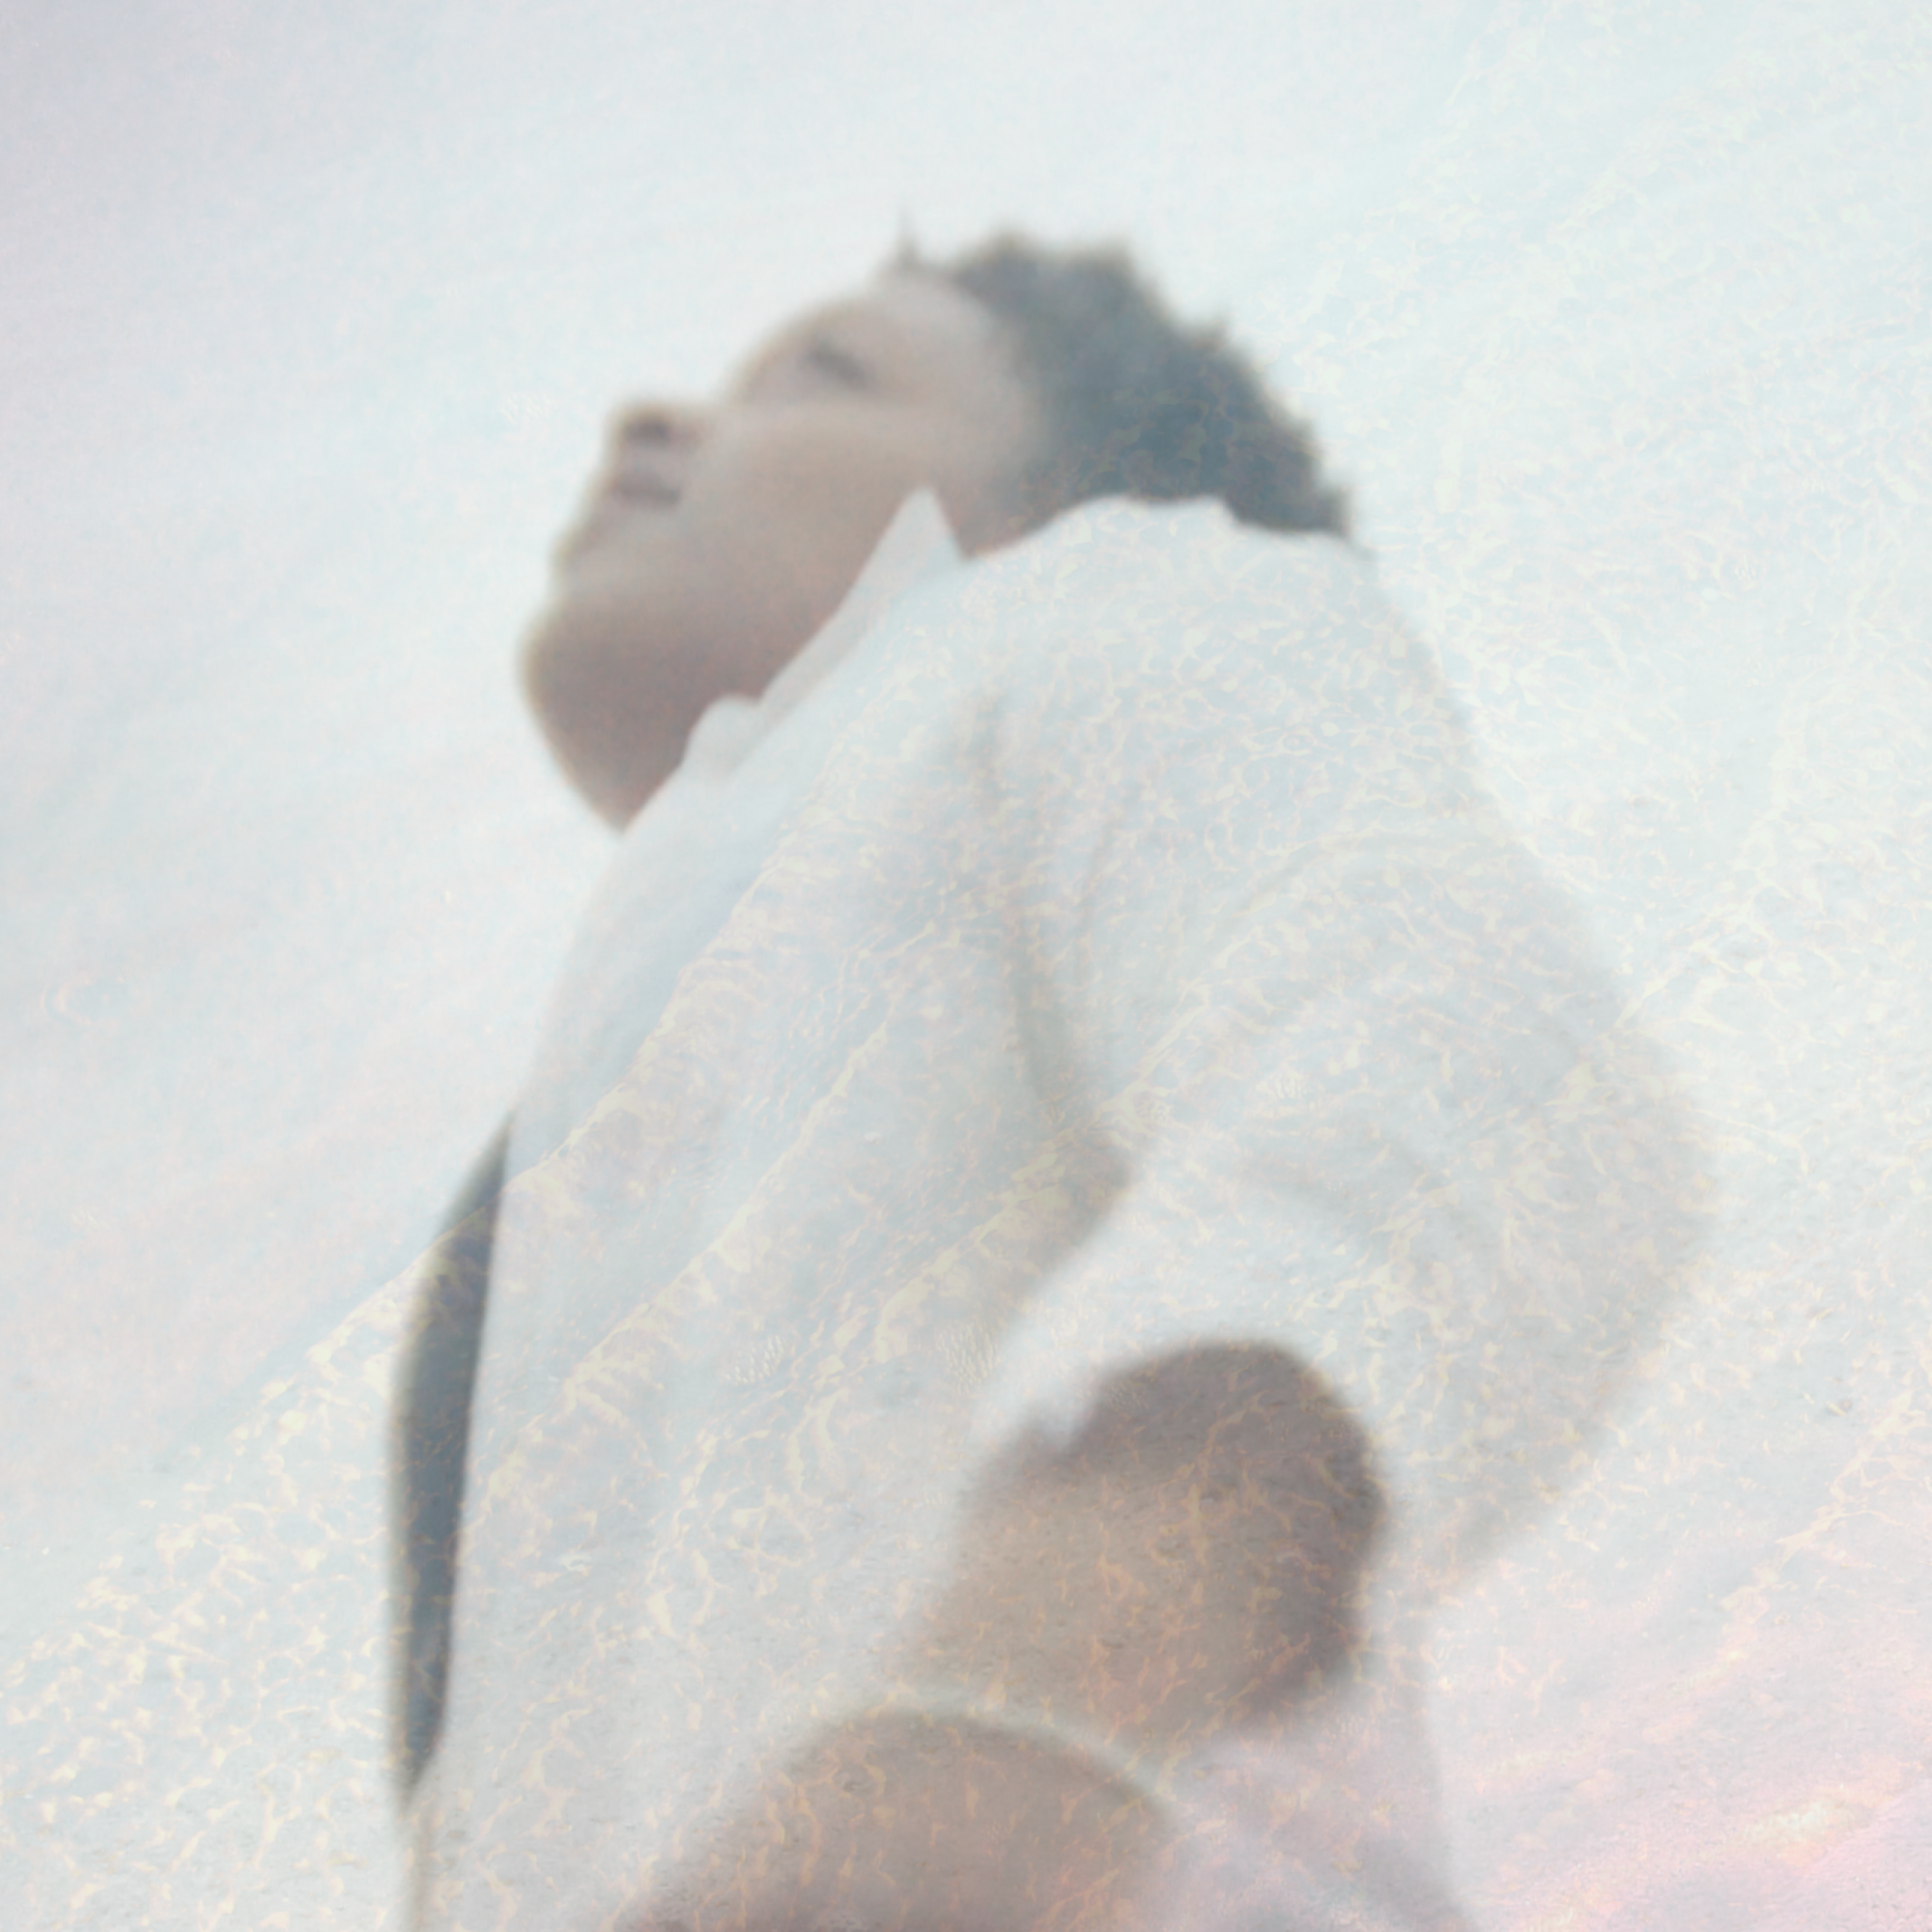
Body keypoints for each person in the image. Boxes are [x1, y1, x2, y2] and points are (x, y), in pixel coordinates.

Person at [390, 235, 1704, 1931]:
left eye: (827, 374)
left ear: (1047, 505)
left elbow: (1451, 1033)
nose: (653, 418)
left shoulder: (1124, 600)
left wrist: (1063, 1643)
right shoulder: (582, 1148)